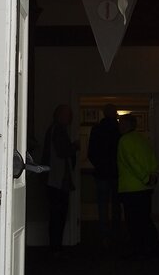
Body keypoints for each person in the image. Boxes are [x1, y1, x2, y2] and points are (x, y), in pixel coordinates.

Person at [117, 113, 159, 257]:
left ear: (127, 125)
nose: (119, 126)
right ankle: (152, 247)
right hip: (145, 189)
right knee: (145, 219)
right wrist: (153, 175)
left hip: (131, 188)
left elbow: (131, 163)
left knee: (133, 221)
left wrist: (145, 177)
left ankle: (138, 249)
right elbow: (152, 157)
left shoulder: (124, 141)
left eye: (121, 123)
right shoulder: (142, 139)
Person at [41, 103, 78, 257]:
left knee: (58, 213)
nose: (68, 118)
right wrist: (74, 147)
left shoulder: (55, 130)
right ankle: (55, 247)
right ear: (59, 116)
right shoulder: (58, 130)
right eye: (66, 114)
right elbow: (62, 152)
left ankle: (56, 246)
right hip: (56, 179)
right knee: (58, 213)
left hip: (56, 179)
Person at [87, 103, 121, 245]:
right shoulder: (119, 130)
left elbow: (91, 153)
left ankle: (104, 234)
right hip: (116, 173)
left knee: (103, 205)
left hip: (101, 172)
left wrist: (99, 165)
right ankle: (116, 233)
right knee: (116, 204)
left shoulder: (97, 129)